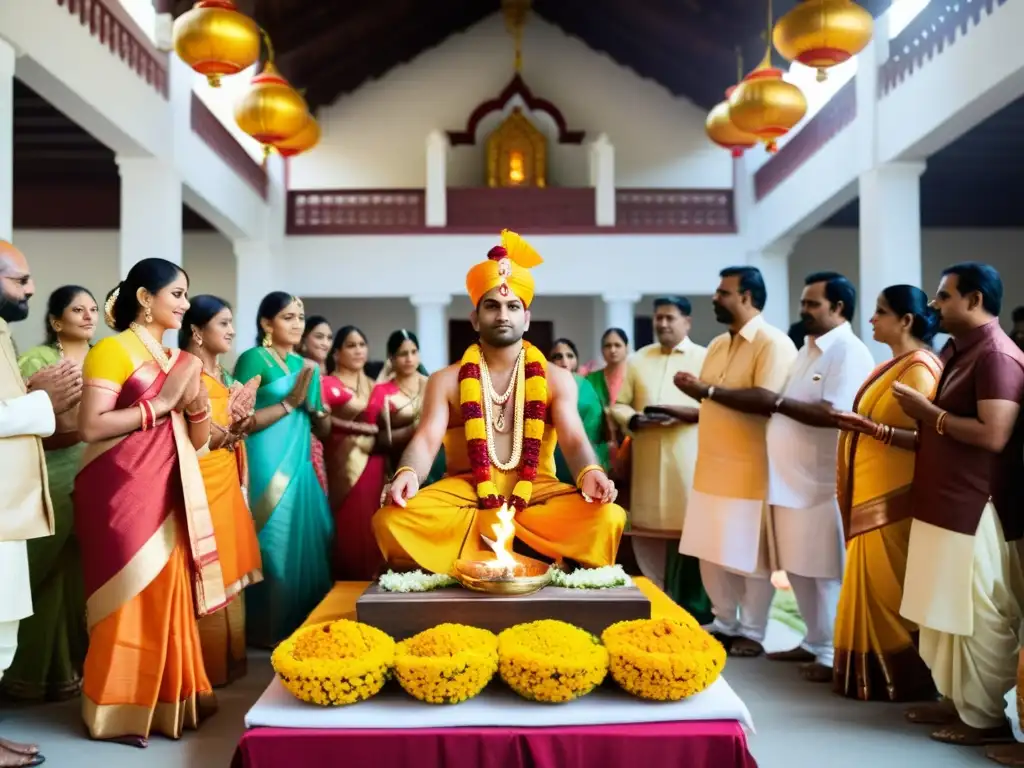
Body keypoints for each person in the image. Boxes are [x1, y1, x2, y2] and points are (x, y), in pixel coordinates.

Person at [373, 230, 626, 574]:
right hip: (466, 493)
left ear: (527, 318)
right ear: (475, 318)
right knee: (391, 520)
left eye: (513, 306)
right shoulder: (446, 380)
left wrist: (591, 472)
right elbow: (427, 439)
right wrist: (408, 474)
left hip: (536, 492)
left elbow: (573, 438)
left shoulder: (555, 377)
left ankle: (482, 554)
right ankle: (526, 555)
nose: (503, 315)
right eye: (491, 306)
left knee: (608, 516)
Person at [75, 259, 222, 746]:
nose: (184, 303)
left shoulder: (177, 359)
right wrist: (161, 404)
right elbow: (92, 426)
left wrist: (197, 402)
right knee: (128, 596)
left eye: (185, 294)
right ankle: (117, 708)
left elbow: (196, 440)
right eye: (177, 294)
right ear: (144, 298)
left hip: (169, 489)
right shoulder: (110, 351)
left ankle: (167, 702)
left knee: (165, 595)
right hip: (118, 490)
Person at [893, 263, 1024, 748]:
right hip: (943, 502)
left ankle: (984, 716)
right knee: (941, 610)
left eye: (943, 296)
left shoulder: (996, 356)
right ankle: (956, 698)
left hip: (976, 508)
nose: (933, 305)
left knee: (976, 614)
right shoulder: (957, 350)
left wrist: (929, 414)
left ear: (974, 300)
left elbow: (994, 435)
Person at [747, 273, 876, 681]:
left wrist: (777, 402)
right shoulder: (809, 349)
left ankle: (832, 653)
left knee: (823, 570)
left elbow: (837, 415)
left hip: (822, 483)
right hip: (789, 481)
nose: (803, 311)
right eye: (803, 303)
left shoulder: (848, 352)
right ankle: (814, 639)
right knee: (799, 568)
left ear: (838, 308)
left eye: (812, 304)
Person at [677, 266, 798, 656]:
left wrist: (705, 389)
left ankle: (753, 630)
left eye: (723, 292)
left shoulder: (773, 343)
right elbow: (716, 398)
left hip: (751, 468)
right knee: (710, 551)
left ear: (747, 297)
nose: (715, 298)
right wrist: (696, 391)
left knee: (750, 556)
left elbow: (766, 400)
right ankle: (724, 621)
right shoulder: (716, 345)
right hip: (710, 465)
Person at [833, 285, 941, 702]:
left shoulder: (919, 369)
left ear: (906, 320)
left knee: (890, 592)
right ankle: (872, 678)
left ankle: (907, 678)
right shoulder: (894, 365)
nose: (872, 319)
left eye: (881, 312)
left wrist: (871, 429)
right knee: (872, 588)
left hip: (894, 501)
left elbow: (929, 439)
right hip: (871, 500)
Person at [0, 243, 80, 768]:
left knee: (3, 631)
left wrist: (35, 399)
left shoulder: (3, 334)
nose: (29, 288)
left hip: (12, 508)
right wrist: (39, 397)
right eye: (20, 279)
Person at [1, 286, 96, 705]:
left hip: (96, 474)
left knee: (71, 577)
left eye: (94, 309)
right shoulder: (38, 361)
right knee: (35, 577)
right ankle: (23, 675)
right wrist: (91, 428)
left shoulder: (105, 358)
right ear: (57, 320)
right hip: (51, 474)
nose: (89, 316)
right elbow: (27, 424)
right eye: (78, 309)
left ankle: (61, 671)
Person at [233, 292, 334, 647]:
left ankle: (303, 629)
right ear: (266, 323)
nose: (297, 324)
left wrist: (318, 410)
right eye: (288, 317)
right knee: (270, 542)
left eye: (300, 317)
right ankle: (265, 631)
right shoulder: (252, 359)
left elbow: (323, 429)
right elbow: (237, 421)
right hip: (263, 460)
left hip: (300, 462)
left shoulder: (308, 367)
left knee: (307, 542)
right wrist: (290, 404)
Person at [611, 297, 710, 620]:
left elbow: (717, 406)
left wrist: (686, 415)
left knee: (693, 535)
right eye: (658, 318)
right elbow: (620, 405)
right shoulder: (639, 360)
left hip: (690, 462)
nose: (663, 324)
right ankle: (653, 602)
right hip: (649, 465)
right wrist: (636, 421)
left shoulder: (705, 358)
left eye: (670, 317)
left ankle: (695, 611)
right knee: (646, 533)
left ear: (687, 322)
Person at [181, 296, 263, 686]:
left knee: (229, 560)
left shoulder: (224, 375)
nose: (231, 330)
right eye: (223, 322)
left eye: (232, 322)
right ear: (197, 331)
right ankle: (207, 666)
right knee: (208, 565)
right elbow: (194, 435)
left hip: (227, 474)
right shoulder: (187, 374)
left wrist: (241, 423)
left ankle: (229, 661)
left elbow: (230, 433)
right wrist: (232, 429)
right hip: (202, 478)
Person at [322, 325, 388, 580]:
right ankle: (344, 587)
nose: (358, 350)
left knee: (373, 525)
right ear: (336, 353)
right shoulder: (327, 382)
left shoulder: (376, 386)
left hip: (376, 464)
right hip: (342, 466)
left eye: (362, 344)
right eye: (351, 345)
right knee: (348, 528)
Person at [549, 337, 606, 483]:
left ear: (576, 360)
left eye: (570, 356)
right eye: (558, 356)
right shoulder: (543, 385)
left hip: (584, 453)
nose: (564, 361)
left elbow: (595, 425)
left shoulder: (586, 386)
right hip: (550, 458)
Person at [298, 315, 333, 493]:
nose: (325, 343)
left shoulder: (332, 374)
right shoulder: (300, 370)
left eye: (329, 337)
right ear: (303, 340)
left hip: (336, 452)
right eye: (319, 337)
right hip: (304, 448)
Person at [586, 327, 629, 463]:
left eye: (617, 345)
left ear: (626, 348)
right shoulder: (591, 379)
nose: (613, 350)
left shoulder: (635, 377)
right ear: (602, 350)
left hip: (631, 444)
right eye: (608, 346)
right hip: (599, 447)